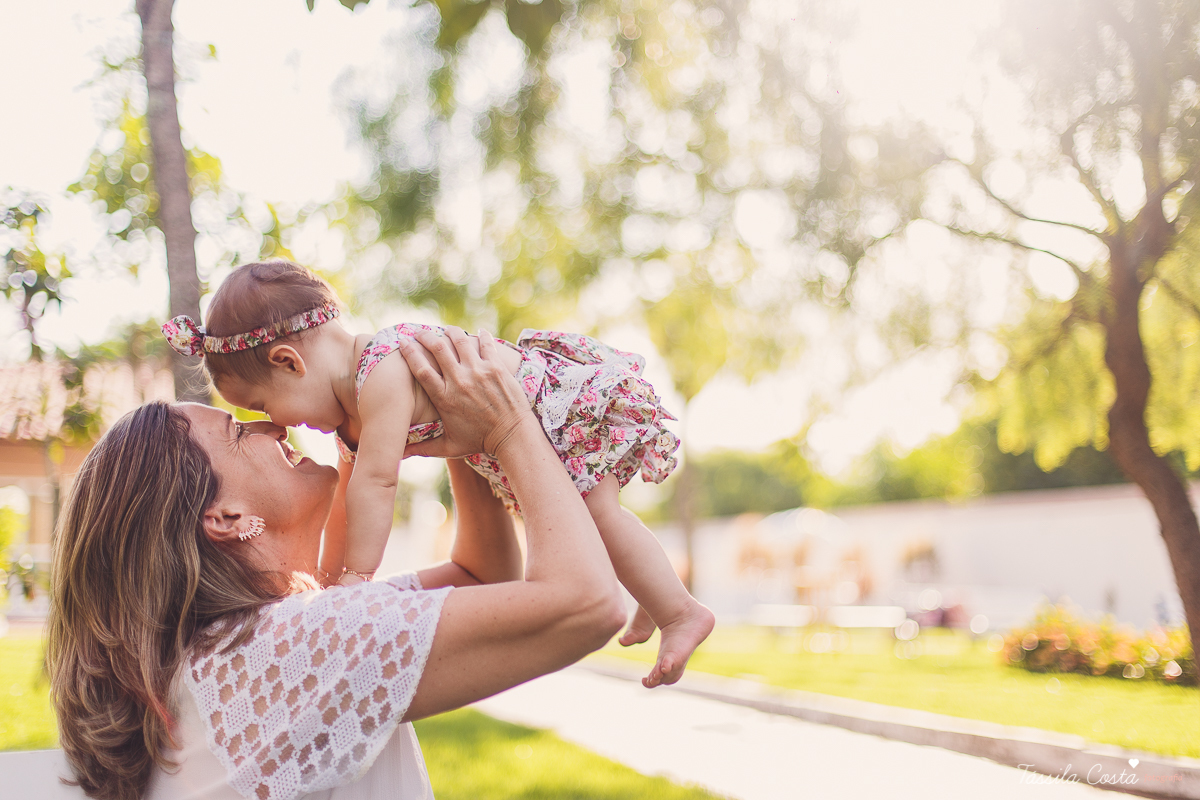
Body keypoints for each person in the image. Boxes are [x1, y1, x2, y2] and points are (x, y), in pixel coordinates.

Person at [47, 328, 628, 800]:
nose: (270, 423)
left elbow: (482, 576)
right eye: (235, 430)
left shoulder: (242, 648)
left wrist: (447, 419)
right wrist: (508, 425)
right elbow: (586, 603)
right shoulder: (284, 646)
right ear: (222, 516)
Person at [161, 260, 714, 688]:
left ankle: (681, 610)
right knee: (596, 521)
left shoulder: (380, 375)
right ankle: (656, 591)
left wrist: (359, 574)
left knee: (596, 515)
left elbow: (376, 484)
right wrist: (330, 590)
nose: (275, 427)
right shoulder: (353, 411)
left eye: (261, 408)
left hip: (552, 413)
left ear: (289, 362)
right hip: (518, 434)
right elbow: (350, 503)